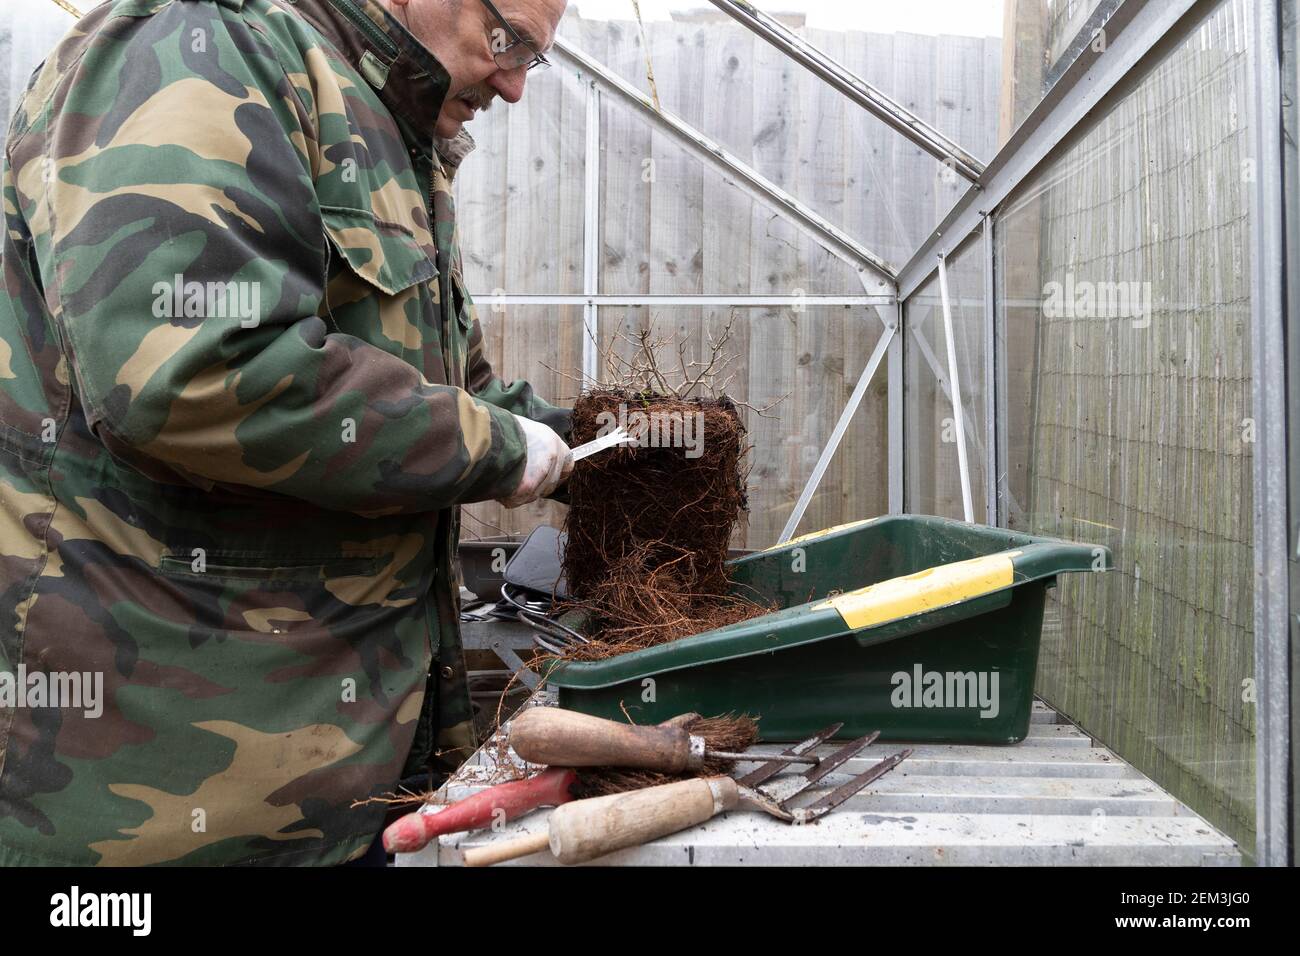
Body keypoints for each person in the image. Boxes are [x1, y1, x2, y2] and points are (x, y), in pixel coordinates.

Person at [0, 0, 571, 866]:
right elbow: (191, 373)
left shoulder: (382, 122)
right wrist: (493, 449)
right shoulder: (207, 46)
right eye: (509, 42)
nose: (517, 85)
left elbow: (441, 388)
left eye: (536, 57)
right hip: (170, 807)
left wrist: (592, 437)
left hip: (349, 779)